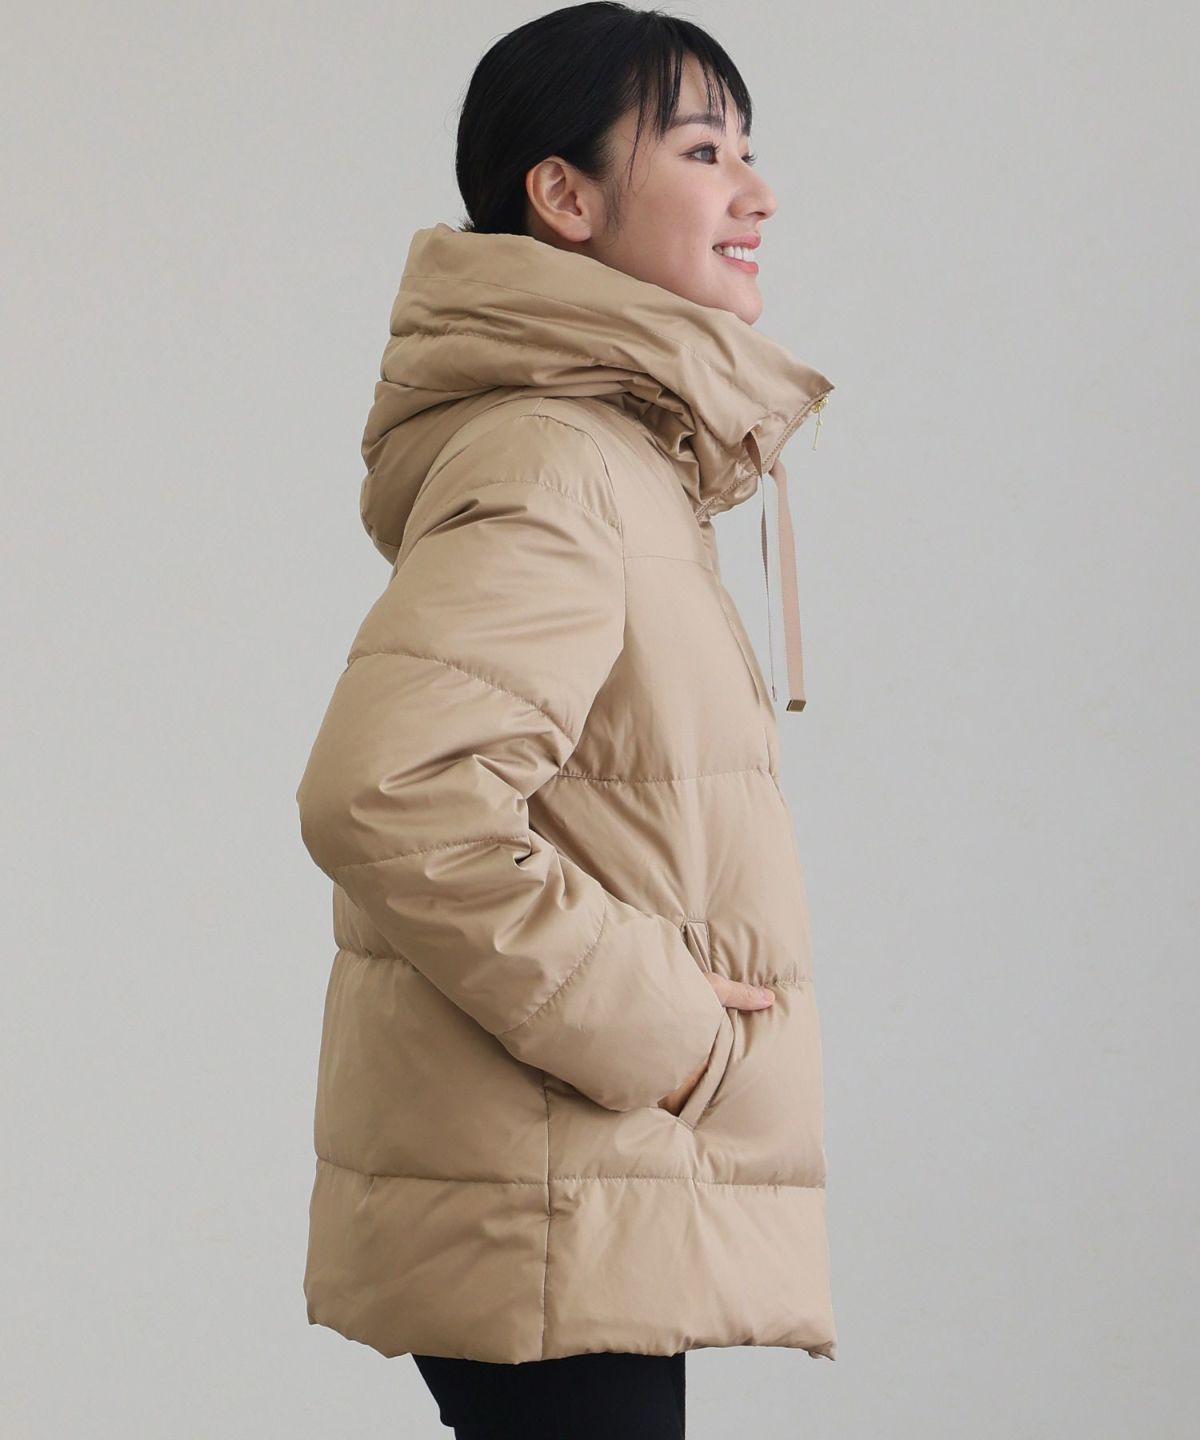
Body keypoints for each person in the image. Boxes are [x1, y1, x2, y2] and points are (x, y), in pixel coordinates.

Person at [293, 4, 838, 1435]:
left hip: (575, 1182)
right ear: (565, 196)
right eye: (704, 151)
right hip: (553, 1185)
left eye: (747, 151)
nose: (756, 193)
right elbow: (388, 794)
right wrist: (666, 1031)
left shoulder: (614, 456)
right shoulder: (556, 457)